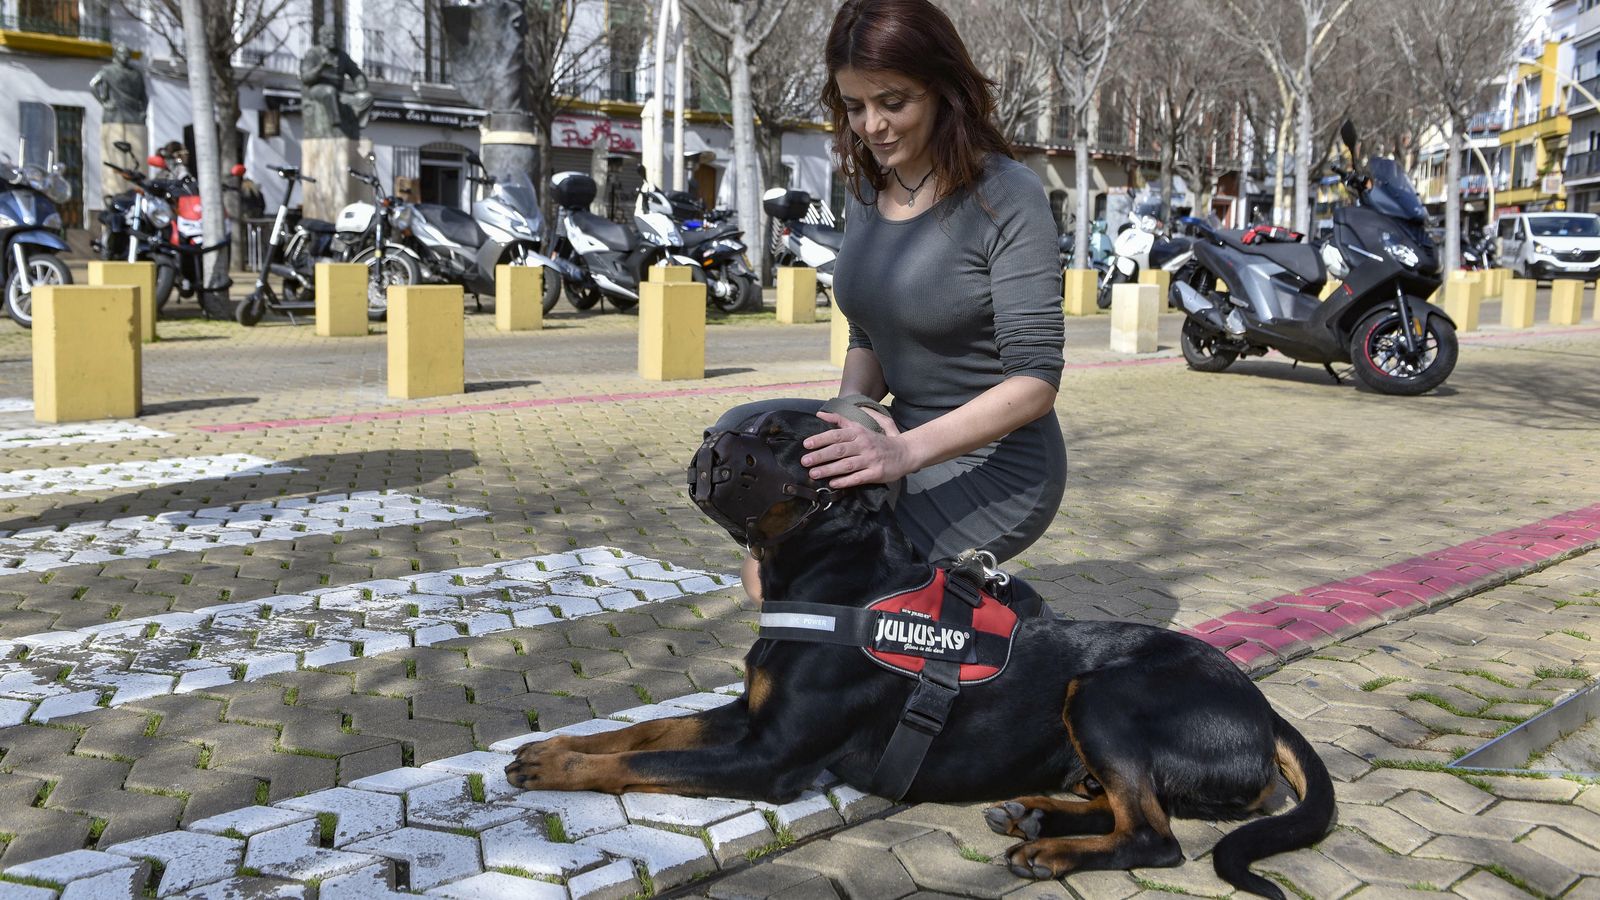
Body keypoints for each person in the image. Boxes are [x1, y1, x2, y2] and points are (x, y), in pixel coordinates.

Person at [710, 0, 1066, 602]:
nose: (872, 125)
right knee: (741, 438)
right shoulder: (869, 187)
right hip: (895, 433)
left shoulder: (1008, 194)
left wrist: (899, 450)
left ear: (942, 89)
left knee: (810, 580)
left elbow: (1035, 381)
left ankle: (945, 625)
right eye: (855, 106)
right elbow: (867, 334)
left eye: (893, 102)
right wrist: (846, 416)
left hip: (996, 463)